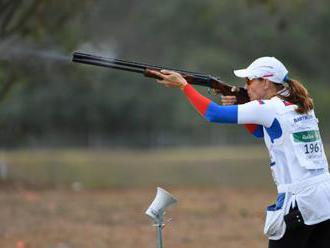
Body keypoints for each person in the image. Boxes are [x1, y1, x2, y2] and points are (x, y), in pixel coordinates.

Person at [149, 56, 330, 248]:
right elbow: (262, 132)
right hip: (324, 199)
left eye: (249, 81)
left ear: (266, 82)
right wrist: (239, 106)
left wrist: (184, 85)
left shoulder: (269, 108)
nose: (246, 86)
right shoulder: (302, 105)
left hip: (299, 204)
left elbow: (213, 114)